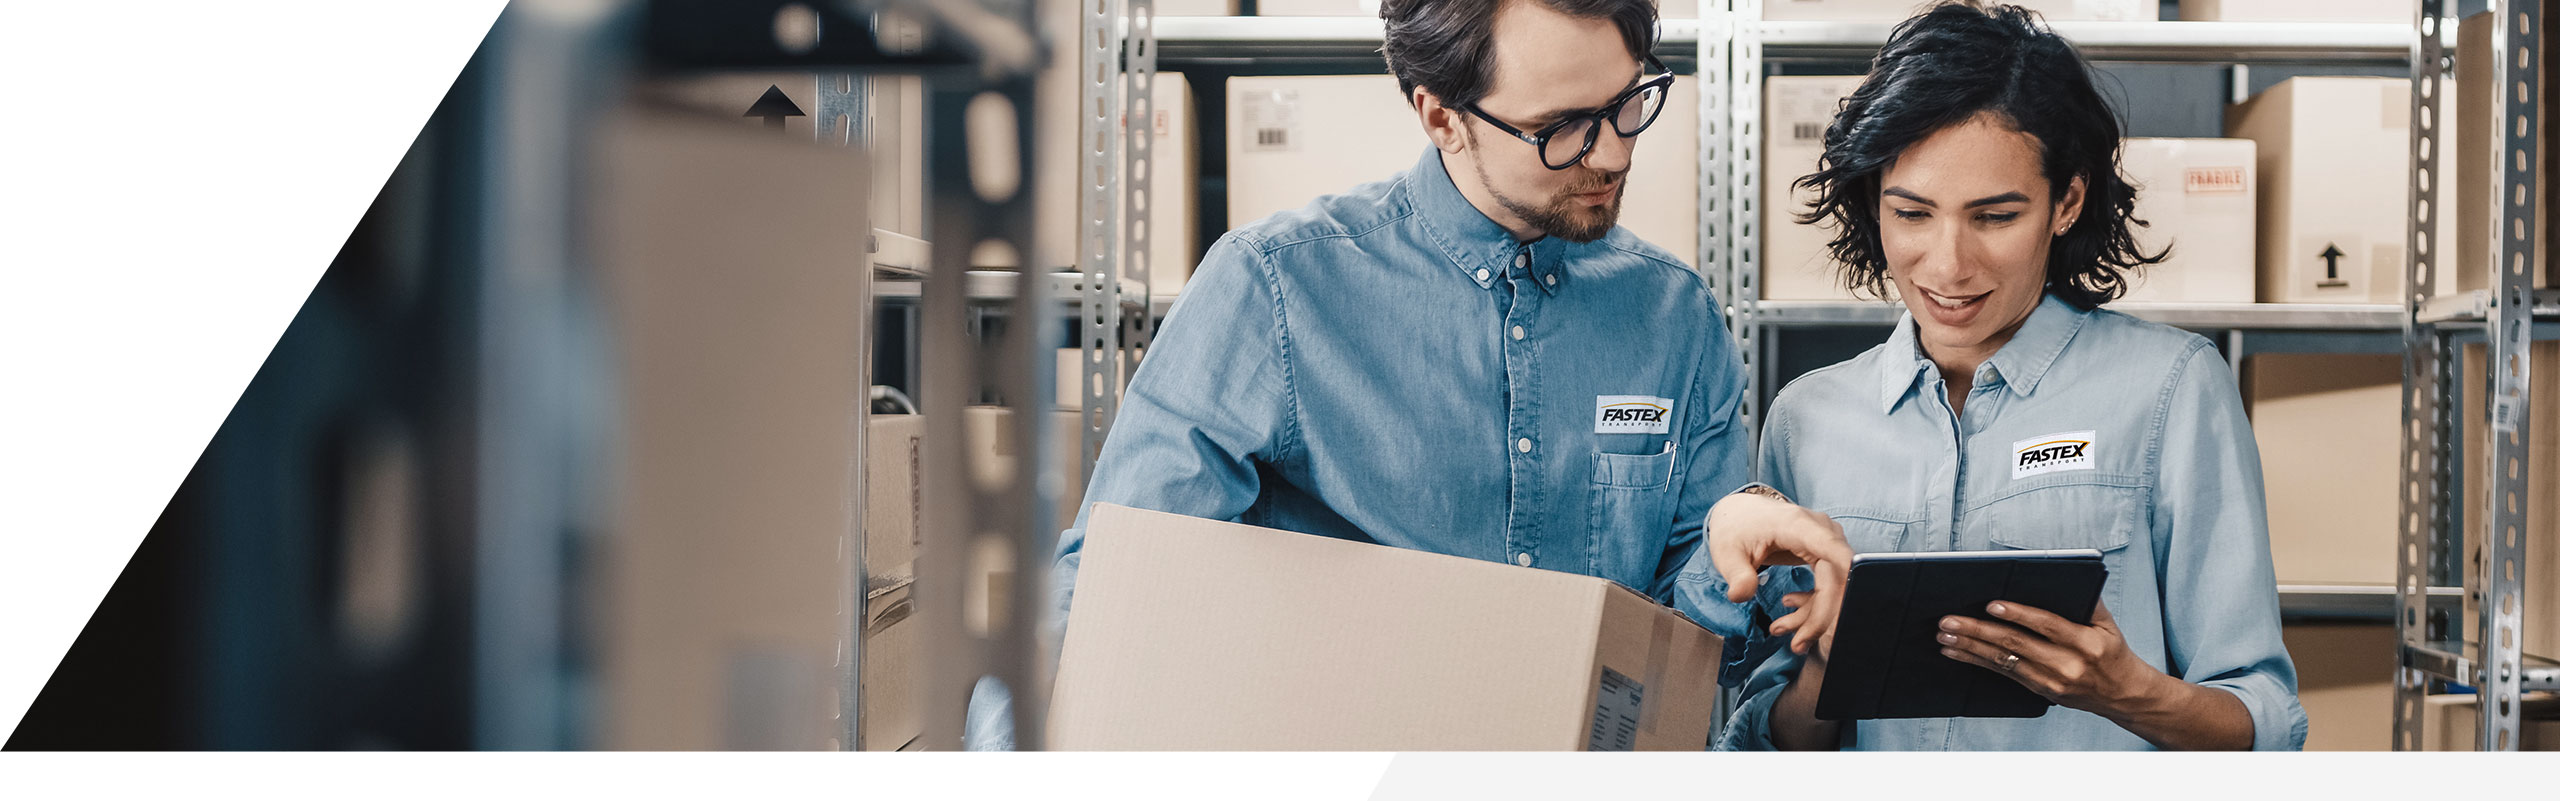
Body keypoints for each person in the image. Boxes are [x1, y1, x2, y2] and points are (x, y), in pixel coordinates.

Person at [962, 0, 1856, 750]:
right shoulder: (1275, 289)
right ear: (1440, 116)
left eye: (1628, 103)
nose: (1615, 153)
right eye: (1561, 128)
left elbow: (1685, 657)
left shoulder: (1675, 318)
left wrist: (1728, 543)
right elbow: (1110, 590)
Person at [1714, 2, 2306, 751]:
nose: (1949, 264)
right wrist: (1829, 667)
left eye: (1994, 217)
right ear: (1873, 202)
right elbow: (1769, 742)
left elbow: (2264, 721)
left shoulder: (2172, 389)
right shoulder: (1808, 417)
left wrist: (2128, 692)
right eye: (1912, 213)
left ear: (2067, 202)